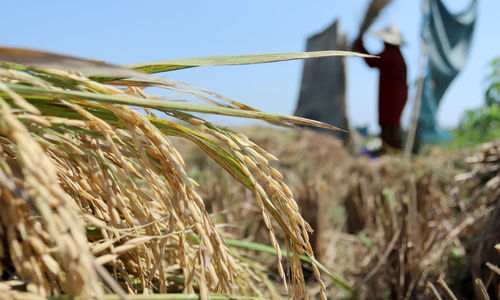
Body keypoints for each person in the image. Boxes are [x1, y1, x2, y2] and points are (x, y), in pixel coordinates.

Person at [353, 24, 408, 150]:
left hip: (391, 103)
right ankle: (393, 153)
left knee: (390, 130)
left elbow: (371, 61)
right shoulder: (397, 55)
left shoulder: (391, 55)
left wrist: (360, 45)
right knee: (391, 127)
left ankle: (393, 155)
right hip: (394, 101)